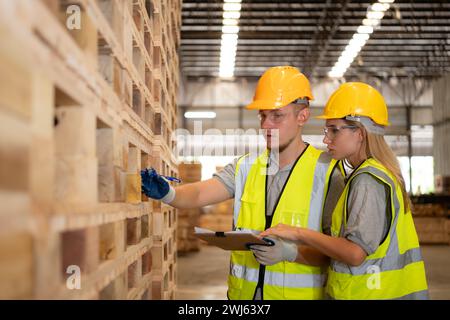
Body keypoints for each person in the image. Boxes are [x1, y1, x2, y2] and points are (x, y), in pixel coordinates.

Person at [141, 66, 341, 300]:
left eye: (277, 116)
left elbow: (341, 252)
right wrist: (168, 193)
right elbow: (198, 195)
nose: (266, 125)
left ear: (302, 116)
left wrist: (290, 252)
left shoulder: (328, 171)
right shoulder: (246, 167)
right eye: (263, 116)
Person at [259, 82, 429, 300]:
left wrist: (298, 233)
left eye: (334, 130)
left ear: (359, 133)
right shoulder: (372, 175)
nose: (326, 139)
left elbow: (354, 253)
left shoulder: (368, 180)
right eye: (326, 130)